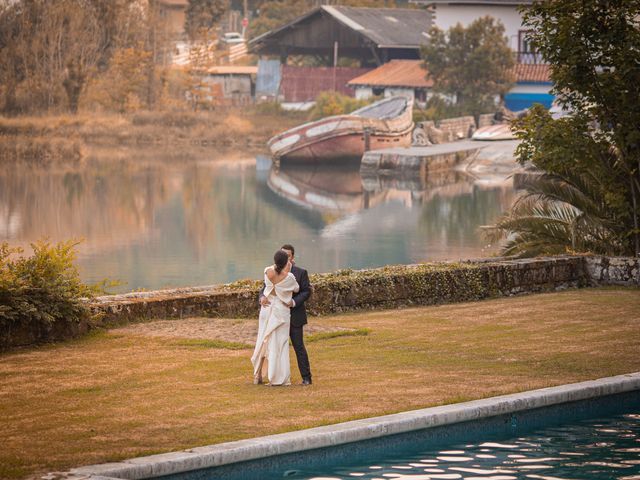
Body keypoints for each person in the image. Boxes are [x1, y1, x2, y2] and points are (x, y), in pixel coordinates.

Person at [260, 244, 313, 386]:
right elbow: (265, 288)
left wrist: (294, 302)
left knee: (299, 347)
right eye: (284, 255)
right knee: (273, 346)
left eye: (288, 256)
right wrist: (262, 298)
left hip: (295, 315)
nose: (286, 259)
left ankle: (306, 378)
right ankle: (267, 376)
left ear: (293, 257)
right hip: (276, 316)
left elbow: (306, 291)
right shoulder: (272, 271)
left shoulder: (301, 272)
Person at [251, 250, 299, 386]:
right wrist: (288, 269)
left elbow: (270, 280)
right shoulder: (289, 277)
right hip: (281, 311)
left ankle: (257, 375)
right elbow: (296, 288)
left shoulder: (267, 271)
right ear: (286, 262)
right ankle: (276, 376)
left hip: (266, 309)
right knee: (279, 344)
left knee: (263, 340)